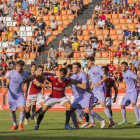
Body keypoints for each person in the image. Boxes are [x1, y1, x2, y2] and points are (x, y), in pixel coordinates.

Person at [1, 60, 35, 131]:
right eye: (16, 66)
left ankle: (20, 124)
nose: (17, 67)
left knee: (22, 108)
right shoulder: (11, 73)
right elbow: (2, 78)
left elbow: (23, 80)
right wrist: (3, 88)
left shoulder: (25, 74)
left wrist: (29, 79)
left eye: (19, 66)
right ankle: (14, 125)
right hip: (11, 95)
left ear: (22, 67)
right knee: (12, 111)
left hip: (20, 94)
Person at [70, 62, 106, 129]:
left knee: (87, 110)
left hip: (87, 95)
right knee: (71, 109)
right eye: (72, 67)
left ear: (78, 68)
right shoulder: (72, 76)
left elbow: (84, 86)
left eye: (74, 67)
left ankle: (102, 120)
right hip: (80, 96)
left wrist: (74, 83)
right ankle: (76, 125)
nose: (73, 69)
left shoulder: (83, 75)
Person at [87, 57, 115, 127]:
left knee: (103, 105)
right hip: (94, 90)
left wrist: (98, 83)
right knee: (88, 106)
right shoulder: (89, 70)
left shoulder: (97, 68)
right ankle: (93, 122)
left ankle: (111, 121)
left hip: (100, 89)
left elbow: (105, 77)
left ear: (92, 62)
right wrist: (91, 86)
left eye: (89, 61)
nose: (87, 63)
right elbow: (93, 80)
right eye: (87, 62)